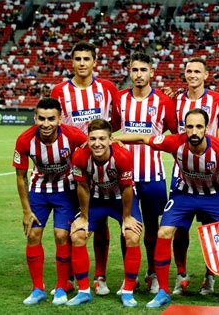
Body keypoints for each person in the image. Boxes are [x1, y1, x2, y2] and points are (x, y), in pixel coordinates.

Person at [115, 108, 219, 308]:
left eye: (199, 126)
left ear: (207, 128)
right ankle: (163, 291)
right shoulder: (174, 142)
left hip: (214, 195)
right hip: (184, 194)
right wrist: (114, 139)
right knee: (163, 232)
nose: (194, 131)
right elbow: (143, 138)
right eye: (189, 127)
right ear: (184, 128)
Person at [51, 41, 119, 295]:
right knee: (71, 222)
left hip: (101, 167)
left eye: (86, 58)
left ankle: (100, 275)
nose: (82, 63)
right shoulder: (59, 91)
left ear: (94, 62)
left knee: (99, 223)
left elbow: (117, 120)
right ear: (72, 62)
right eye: (77, 58)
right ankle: (69, 275)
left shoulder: (107, 88)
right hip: (71, 168)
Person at [111, 52, 177, 294]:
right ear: (129, 72)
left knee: (152, 226)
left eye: (143, 70)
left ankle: (153, 273)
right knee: (126, 226)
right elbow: (114, 127)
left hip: (153, 175)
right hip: (125, 175)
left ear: (152, 73)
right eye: (134, 70)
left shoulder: (163, 101)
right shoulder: (119, 99)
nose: (139, 75)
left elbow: (174, 131)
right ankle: (131, 276)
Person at [13, 98, 87, 305]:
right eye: (42, 119)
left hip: (66, 190)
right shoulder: (24, 139)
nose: (46, 124)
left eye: (51, 119)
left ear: (60, 118)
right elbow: (20, 177)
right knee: (33, 233)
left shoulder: (73, 135)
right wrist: (26, 211)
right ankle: (38, 289)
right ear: (35, 118)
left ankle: (62, 286)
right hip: (39, 190)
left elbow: (92, 151)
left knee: (62, 235)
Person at [67, 119, 143, 307]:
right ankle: (84, 291)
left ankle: (128, 291)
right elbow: (82, 187)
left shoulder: (123, 156)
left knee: (132, 236)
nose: (97, 143)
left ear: (111, 140)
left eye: (102, 138)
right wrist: (83, 217)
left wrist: (126, 217)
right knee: (77, 235)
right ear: (88, 139)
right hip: (97, 199)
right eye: (93, 139)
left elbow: (126, 189)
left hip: (121, 200)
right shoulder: (79, 157)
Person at [170, 58, 219, 295]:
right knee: (178, 230)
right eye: (189, 71)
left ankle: (210, 276)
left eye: (197, 71)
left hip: (212, 178)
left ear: (206, 75)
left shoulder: (218, 100)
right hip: (181, 175)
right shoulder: (175, 99)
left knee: (213, 231)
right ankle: (181, 274)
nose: (193, 75)